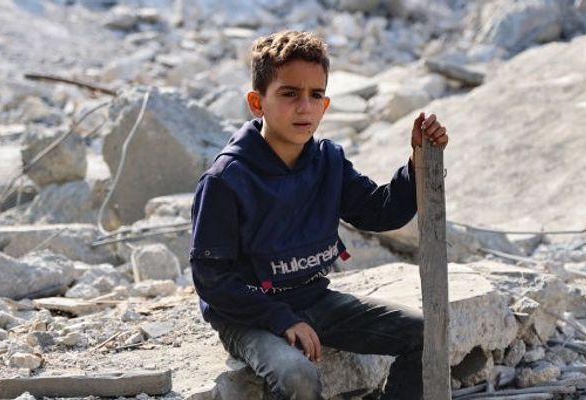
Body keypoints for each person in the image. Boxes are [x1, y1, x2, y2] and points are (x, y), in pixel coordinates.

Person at [188, 29, 449, 399]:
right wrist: (280, 319)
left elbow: (380, 212)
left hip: (313, 300)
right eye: (289, 94)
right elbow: (212, 280)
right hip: (249, 316)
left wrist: (417, 164)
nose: (305, 107)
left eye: (316, 95)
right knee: (297, 375)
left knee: (425, 334)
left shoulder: (328, 161)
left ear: (326, 105)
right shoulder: (227, 180)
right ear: (257, 102)